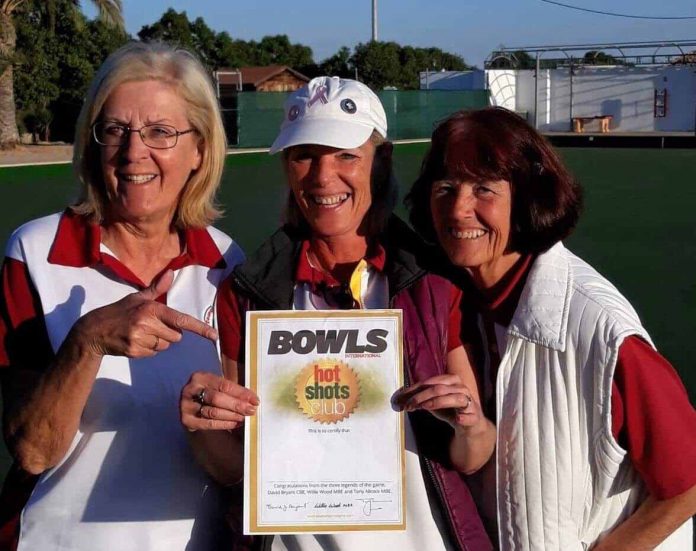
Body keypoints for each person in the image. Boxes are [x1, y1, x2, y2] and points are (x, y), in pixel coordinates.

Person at [180, 76, 494, 551]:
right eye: (305, 155)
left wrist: (469, 422)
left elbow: (473, 456)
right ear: (288, 166)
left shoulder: (436, 285)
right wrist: (200, 426)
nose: (323, 177)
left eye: (347, 154)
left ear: (381, 161)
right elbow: (234, 469)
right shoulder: (247, 294)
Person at [406, 106, 696, 550]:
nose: (460, 208)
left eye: (484, 188)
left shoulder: (599, 327)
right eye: (446, 187)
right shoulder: (453, 302)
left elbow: (687, 483)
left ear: (525, 199)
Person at [0, 42, 245, 551]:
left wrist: (207, 423)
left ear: (199, 148)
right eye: (114, 130)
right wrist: (87, 341)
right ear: (93, 145)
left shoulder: (228, 262)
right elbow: (32, 451)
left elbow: (234, 463)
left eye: (161, 132)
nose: (135, 152)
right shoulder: (34, 252)